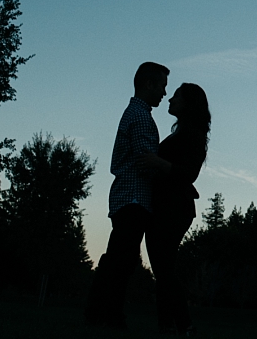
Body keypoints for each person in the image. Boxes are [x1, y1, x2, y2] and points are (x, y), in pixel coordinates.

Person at [84, 61, 169, 329]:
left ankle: (104, 312)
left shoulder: (133, 113)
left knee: (121, 258)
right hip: (134, 198)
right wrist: (168, 171)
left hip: (127, 197)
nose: (164, 94)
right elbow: (146, 162)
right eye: (162, 87)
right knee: (120, 259)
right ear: (149, 84)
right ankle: (105, 313)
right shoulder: (142, 117)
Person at [143, 83, 210, 336]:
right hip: (165, 206)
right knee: (162, 268)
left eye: (176, 97)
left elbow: (188, 174)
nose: (170, 99)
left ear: (188, 103)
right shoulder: (182, 133)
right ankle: (168, 324)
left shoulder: (191, 135)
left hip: (174, 208)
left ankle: (182, 324)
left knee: (164, 268)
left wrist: (156, 162)